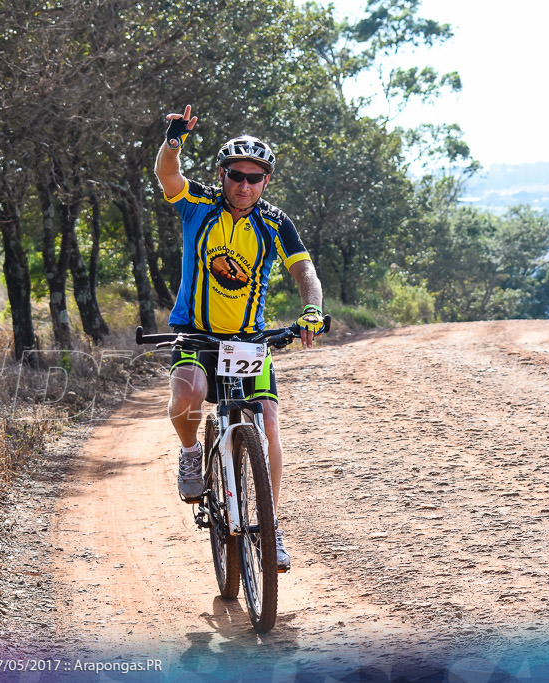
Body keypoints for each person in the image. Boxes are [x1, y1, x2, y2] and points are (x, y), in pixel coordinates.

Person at [153, 104, 324, 572]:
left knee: (267, 421)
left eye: (255, 177)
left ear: (266, 181)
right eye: (236, 175)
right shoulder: (199, 205)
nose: (244, 185)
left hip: (249, 338)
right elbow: (169, 177)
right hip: (196, 332)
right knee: (188, 394)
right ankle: (191, 453)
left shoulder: (274, 222)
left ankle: (271, 526)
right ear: (223, 175)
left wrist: (312, 308)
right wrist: (173, 141)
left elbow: (304, 270)